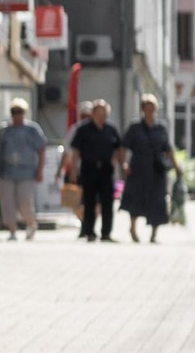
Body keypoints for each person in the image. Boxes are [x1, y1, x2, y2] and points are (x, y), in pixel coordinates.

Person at [0, 105, 48, 237]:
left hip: (26, 172)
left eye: (20, 112)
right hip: (6, 171)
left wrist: (40, 170)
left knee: (24, 200)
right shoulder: (5, 130)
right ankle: (12, 229)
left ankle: (30, 223)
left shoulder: (32, 129)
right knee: (7, 201)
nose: (17, 115)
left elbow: (41, 149)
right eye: (14, 112)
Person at [123, 96, 174, 242]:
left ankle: (154, 234)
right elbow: (123, 147)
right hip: (138, 168)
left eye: (152, 107)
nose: (150, 111)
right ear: (142, 109)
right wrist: (124, 164)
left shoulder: (161, 128)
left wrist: (176, 167)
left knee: (157, 200)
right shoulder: (135, 127)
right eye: (147, 107)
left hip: (157, 169)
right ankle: (132, 227)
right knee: (136, 198)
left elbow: (168, 149)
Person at [72, 99, 120, 243]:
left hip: (106, 169)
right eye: (99, 114)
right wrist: (73, 170)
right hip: (89, 169)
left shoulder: (111, 129)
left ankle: (106, 233)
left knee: (107, 202)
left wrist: (117, 165)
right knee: (89, 201)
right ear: (92, 114)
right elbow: (75, 151)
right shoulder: (83, 129)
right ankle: (89, 231)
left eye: (104, 114)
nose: (101, 117)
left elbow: (117, 149)